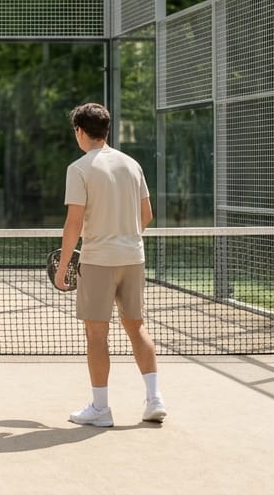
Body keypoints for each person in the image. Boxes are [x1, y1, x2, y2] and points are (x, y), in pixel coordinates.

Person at [56, 102, 165, 427]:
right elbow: (146, 216)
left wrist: (63, 267)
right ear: (106, 129)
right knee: (136, 326)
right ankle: (154, 399)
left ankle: (101, 409)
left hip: (99, 261)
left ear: (79, 131)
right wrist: (125, 238)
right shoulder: (132, 164)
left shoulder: (78, 168)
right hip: (133, 258)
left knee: (96, 334)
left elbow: (73, 223)